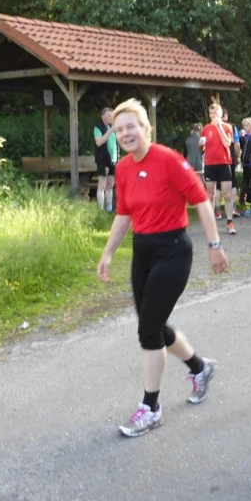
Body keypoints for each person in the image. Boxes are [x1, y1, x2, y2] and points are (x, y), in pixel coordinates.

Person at [97, 99, 229, 437]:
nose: (126, 133)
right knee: (151, 324)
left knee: (148, 330)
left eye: (132, 127)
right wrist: (108, 253)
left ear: (145, 129)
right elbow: (124, 214)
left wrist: (215, 246)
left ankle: (151, 407)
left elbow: (200, 199)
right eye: (120, 128)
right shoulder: (124, 168)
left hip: (173, 250)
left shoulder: (169, 160)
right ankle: (200, 368)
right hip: (143, 250)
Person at [200, 103, 237, 235]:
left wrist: (219, 126)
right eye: (211, 113)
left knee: (227, 195)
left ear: (221, 114)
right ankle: (211, 224)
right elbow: (203, 146)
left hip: (224, 163)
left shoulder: (227, 127)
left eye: (215, 113)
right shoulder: (205, 128)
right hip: (210, 164)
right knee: (210, 195)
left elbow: (227, 143)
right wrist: (201, 145)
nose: (213, 115)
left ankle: (229, 222)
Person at [94, 107, 119, 212]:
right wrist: (110, 131)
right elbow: (99, 142)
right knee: (102, 186)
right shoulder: (98, 128)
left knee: (110, 186)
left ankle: (109, 209)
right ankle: (100, 210)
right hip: (103, 160)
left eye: (112, 116)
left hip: (113, 160)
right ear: (103, 117)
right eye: (109, 116)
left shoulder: (112, 128)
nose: (111, 118)